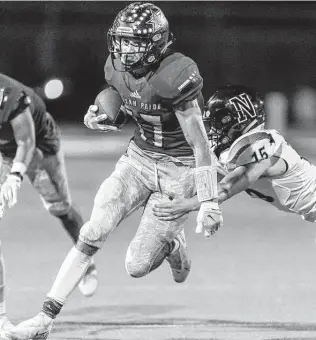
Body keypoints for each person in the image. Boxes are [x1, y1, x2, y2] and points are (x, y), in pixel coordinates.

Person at [3, 2, 222, 340]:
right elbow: (123, 103)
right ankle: (44, 319)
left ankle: (173, 246)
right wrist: (99, 115)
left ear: (157, 43)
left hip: (181, 167)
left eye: (135, 42)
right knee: (92, 231)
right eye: (122, 40)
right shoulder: (115, 67)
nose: (125, 49)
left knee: (136, 266)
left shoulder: (176, 74)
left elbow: (201, 144)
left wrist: (208, 201)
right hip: (138, 158)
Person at [0, 73, 99, 331]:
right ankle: (0, 318)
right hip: (2, 149)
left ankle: (86, 264)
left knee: (60, 208)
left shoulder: (11, 97)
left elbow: (26, 142)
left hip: (39, 149)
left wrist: (14, 177)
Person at [152, 85, 316, 235]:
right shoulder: (236, 153)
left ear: (239, 123)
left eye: (219, 124)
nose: (214, 130)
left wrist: (186, 205)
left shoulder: (263, 146)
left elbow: (227, 187)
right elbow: (207, 182)